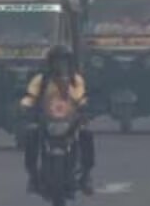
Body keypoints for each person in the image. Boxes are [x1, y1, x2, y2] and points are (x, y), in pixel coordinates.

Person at [20, 45, 95, 196]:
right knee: (31, 134)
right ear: (50, 63)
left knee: (86, 133)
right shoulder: (41, 80)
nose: (60, 65)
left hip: (70, 118)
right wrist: (25, 105)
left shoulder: (75, 80)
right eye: (57, 61)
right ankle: (33, 176)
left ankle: (85, 175)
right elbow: (31, 96)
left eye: (64, 61)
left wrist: (84, 106)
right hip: (46, 118)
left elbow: (81, 96)